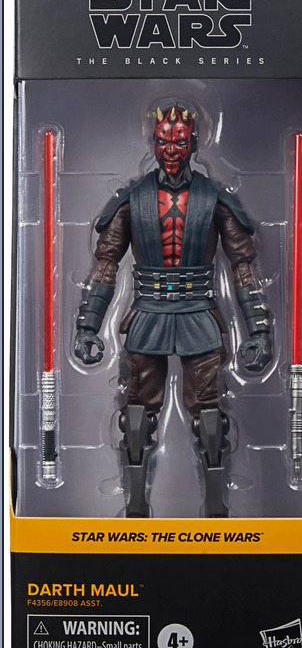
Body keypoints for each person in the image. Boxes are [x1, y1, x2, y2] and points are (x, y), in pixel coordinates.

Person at [74, 105, 273, 517]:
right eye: (164, 140)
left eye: (179, 141)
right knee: (136, 416)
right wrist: (88, 325)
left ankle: (216, 511)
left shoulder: (214, 198)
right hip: (148, 314)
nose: (170, 149)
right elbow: (106, 264)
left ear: (194, 144)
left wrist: (258, 329)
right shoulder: (132, 199)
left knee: (210, 416)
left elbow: (242, 266)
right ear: (153, 142)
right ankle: (136, 509)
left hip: (199, 313)